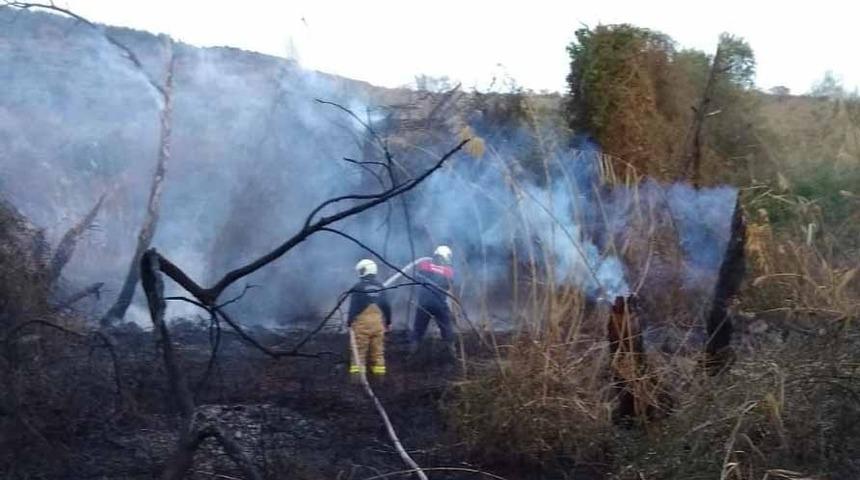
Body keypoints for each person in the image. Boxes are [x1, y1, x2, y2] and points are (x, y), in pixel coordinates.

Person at [347, 259, 392, 377]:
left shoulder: (358, 287)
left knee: (359, 353)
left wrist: (349, 322)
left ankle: (357, 381)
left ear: (364, 271)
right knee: (378, 354)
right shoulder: (380, 286)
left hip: (362, 325)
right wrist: (388, 322)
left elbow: (353, 307)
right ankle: (379, 379)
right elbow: (386, 306)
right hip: (378, 324)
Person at [410, 245, 455, 357]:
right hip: (439, 303)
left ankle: (412, 352)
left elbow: (416, 279)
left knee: (418, 329)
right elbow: (448, 286)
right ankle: (451, 351)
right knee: (446, 327)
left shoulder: (424, 265)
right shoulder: (448, 271)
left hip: (423, 303)